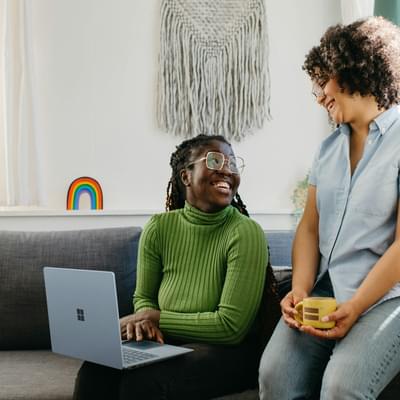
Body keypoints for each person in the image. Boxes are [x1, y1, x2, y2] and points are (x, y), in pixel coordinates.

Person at [73, 134, 278, 400]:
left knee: (144, 382)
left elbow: (231, 327)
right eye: (215, 160)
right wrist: (144, 321)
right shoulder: (159, 227)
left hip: (228, 351)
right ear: (185, 177)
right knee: (95, 370)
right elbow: (144, 296)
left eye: (232, 163)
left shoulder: (246, 232)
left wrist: (155, 318)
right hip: (167, 342)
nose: (227, 169)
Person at [259, 16, 400, 400]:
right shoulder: (327, 149)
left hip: (388, 297)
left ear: (355, 69)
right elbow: (309, 227)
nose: (319, 95)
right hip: (328, 288)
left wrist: (355, 306)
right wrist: (301, 290)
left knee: (342, 387)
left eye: (324, 82)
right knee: (275, 375)